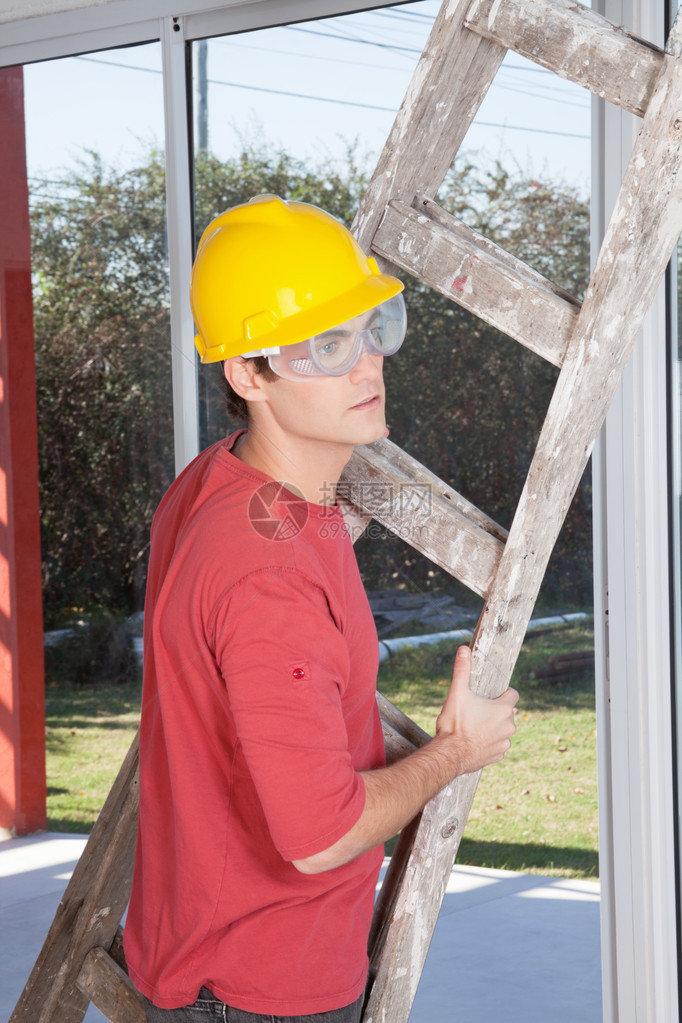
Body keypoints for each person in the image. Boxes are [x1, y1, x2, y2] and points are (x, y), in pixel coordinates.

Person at [123, 194, 518, 1023]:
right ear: (247, 373)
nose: (366, 364)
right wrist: (456, 751)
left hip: (209, 954)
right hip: (257, 988)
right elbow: (319, 836)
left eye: (372, 328)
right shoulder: (267, 572)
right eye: (324, 346)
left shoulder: (221, 482)